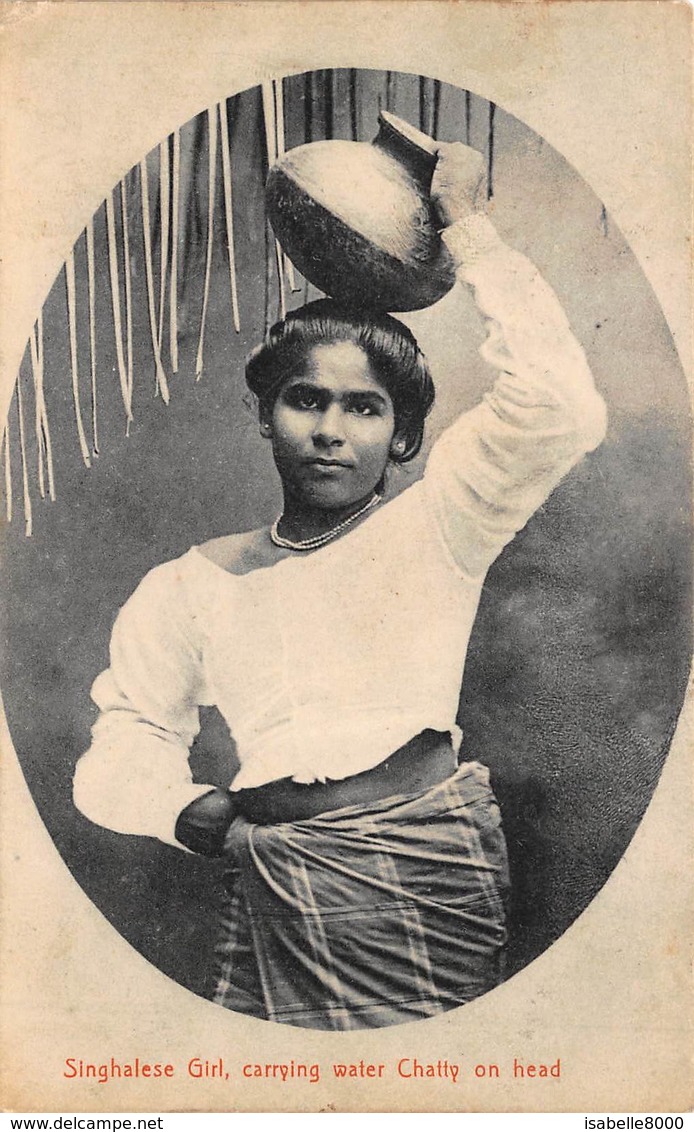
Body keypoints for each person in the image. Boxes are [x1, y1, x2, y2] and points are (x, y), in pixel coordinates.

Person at [73, 143, 607, 1030]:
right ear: (264, 415)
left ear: (403, 437)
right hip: (276, 880)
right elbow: (124, 737)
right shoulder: (187, 585)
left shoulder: (442, 524)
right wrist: (187, 812)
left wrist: (469, 228)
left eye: (364, 408)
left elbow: (561, 406)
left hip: (426, 873)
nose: (330, 431)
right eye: (304, 400)